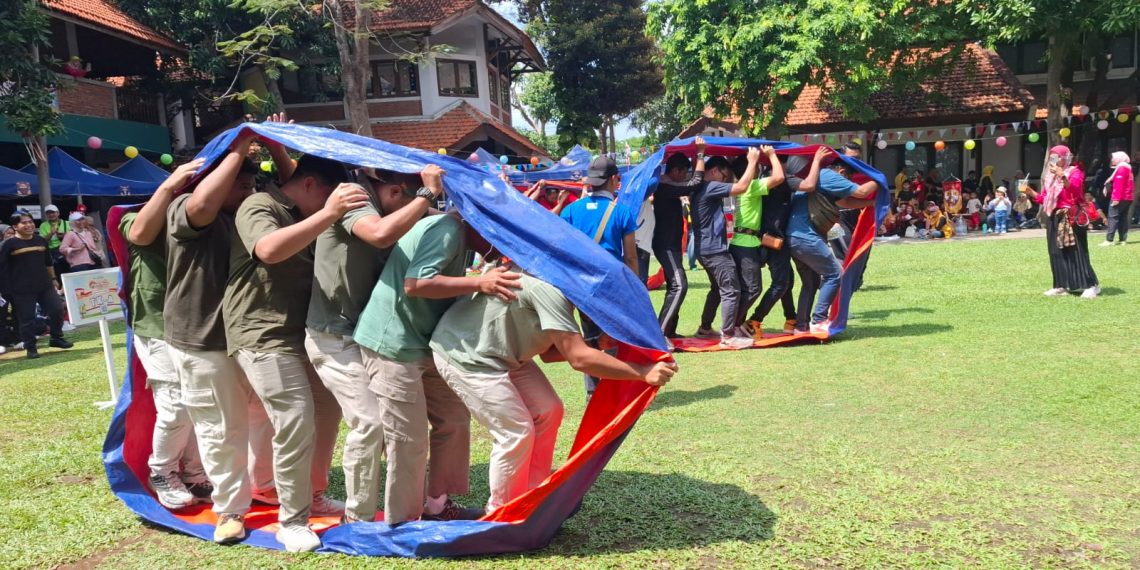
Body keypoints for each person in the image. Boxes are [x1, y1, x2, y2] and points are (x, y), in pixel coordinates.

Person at [430, 269, 676, 513]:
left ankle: (533, 494)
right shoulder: (550, 290)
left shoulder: (563, 286)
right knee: (515, 431)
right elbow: (579, 359)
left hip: (502, 353)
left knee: (550, 410)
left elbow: (549, 353)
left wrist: (595, 345)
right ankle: (503, 513)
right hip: (466, 354)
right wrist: (642, 371)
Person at [223, 153, 369, 551]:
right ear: (309, 186)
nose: (329, 207)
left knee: (326, 412)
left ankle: (314, 493)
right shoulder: (259, 204)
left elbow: (304, 187)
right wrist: (329, 212)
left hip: (306, 333)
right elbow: (268, 249)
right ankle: (292, 520)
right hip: (262, 333)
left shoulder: (300, 204)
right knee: (295, 418)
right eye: (326, 196)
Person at [354, 210, 521, 526]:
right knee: (408, 437)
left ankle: (437, 503)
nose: (497, 244)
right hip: (393, 343)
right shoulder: (446, 230)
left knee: (455, 419)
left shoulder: (461, 234)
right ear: (476, 220)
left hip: (428, 343)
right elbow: (416, 283)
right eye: (495, 233)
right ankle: (403, 522)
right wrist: (480, 282)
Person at [304, 165, 446, 524]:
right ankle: (358, 520)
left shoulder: (389, 202)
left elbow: (431, 216)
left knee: (395, 427)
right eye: (410, 200)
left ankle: (418, 507)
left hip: (365, 335)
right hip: (334, 335)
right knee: (370, 424)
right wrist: (427, 194)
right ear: (397, 192)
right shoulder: (356, 197)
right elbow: (381, 234)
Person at [163, 134, 276, 545]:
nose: (249, 192)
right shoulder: (185, 209)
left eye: (251, 186)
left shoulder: (247, 216)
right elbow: (202, 204)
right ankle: (231, 508)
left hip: (248, 335)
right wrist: (238, 150)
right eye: (241, 186)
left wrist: (275, 149)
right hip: (202, 338)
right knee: (220, 427)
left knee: (264, 416)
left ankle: (263, 484)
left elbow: (299, 191)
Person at [121, 159, 212, 510]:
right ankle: (162, 471)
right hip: (156, 322)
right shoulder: (141, 215)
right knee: (175, 402)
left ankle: (193, 472)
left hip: (194, 322)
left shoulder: (204, 216)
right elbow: (140, 234)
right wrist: (169, 186)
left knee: (197, 400)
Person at [560, 156, 639, 394]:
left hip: (581, 286)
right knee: (613, 338)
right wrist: (633, 289)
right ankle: (612, 392)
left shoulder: (570, 211)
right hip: (612, 287)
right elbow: (631, 258)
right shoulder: (622, 212)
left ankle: (593, 393)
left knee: (591, 340)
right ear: (615, 179)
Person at [788, 150, 878, 334]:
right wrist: (879, 179)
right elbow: (861, 191)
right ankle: (818, 320)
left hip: (795, 237)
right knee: (836, 274)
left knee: (811, 283)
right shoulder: (828, 175)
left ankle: (801, 326)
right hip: (806, 237)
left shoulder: (823, 179)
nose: (849, 182)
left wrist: (870, 205)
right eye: (849, 178)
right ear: (842, 173)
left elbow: (844, 203)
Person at [692, 147, 763, 348]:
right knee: (731, 290)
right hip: (714, 250)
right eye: (724, 175)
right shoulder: (710, 186)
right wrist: (752, 161)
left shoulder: (701, 188)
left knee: (717, 289)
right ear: (714, 171)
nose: (725, 181)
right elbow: (740, 187)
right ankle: (728, 336)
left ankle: (705, 328)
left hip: (704, 248)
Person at [745, 154, 815, 337]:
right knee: (781, 283)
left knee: (787, 280)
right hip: (774, 241)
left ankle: (791, 319)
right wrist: (816, 161)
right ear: (784, 163)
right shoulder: (782, 179)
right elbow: (809, 185)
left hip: (767, 239)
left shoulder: (764, 178)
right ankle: (754, 321)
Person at [1021, 145, 1099, 298]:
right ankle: (1060, 285)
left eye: (1057, 157)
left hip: (1071, 216)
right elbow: (1045, 199)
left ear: (1065, 158)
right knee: (1055, 252)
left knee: (1077, 251)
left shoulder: (1075, 172)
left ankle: (1091, 285)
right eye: (1052, 157)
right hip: (1054, 216)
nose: (1054, 160)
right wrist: (1030, 192)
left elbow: (1075, 191)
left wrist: (1063, 176)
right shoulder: (1050, 178)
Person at [0, 212, 73, 359]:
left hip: (44, 285)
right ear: (15, 226)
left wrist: (53, 278)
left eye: (30, 222)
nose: (29, 225)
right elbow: (2, 268)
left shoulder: (40, 240)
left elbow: (48, 261)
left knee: (57, 309)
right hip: (20, 289)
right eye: (24, 223)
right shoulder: (8, 245)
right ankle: (31, 348)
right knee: (26, 319)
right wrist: (6, 289)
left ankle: (56, 338)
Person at [651, 144, 706, 337]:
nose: (685, 177)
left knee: (674, 285)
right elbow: (695, 184)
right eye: (684, 173)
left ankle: (669, 330)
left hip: (670, 245)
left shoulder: (668, 184)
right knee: (679, 285)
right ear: (675, 171)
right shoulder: (665, 187)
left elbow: (690, 182)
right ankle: (660, 334)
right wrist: (700, 153)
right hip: (665, 245)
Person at [729, 150, 784, 339]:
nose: (761, 168)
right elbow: (779, 177)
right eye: (757, 166)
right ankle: (733, 326)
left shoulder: (742, 187)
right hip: (745, 245)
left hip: (743, 243)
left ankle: (734, 325)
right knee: (752, 289)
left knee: (746, 289)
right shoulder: (750, 186)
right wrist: (771, 154)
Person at [1101, 151, 1133, 246]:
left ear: (1119, 158)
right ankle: (1123, 239)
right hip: (1128, 198)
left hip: (1120, 197)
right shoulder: (1127, 168)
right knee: (1123, 218)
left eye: (1113, 158)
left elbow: (1119, 185)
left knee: (1113, 217)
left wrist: (1116, 198)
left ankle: (1109, 240)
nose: (1112, 160)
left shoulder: (1121, 168)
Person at [38, 204, 70, 276]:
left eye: (53, 212)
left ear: (58, 213)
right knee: (58, 273)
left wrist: (65, 235)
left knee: (69, 272)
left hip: (67, 252)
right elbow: (42, 241)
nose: (51, 214)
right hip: (53, 253)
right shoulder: (43, 225)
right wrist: (51, 234)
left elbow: (75, 237)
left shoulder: (67, 223)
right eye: (48, 213)